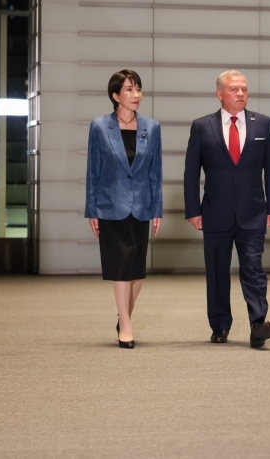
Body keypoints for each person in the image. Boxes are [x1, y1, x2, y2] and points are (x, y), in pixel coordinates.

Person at [184, 70, 270, 348]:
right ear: (219, 94)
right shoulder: (202, 126)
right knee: (217, 271)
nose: (240, 94)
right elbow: (192, 172)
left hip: (253, 211)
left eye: (244, 89)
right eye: (234, 89)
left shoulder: (263, 124)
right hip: (215, 210)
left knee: (253, 267)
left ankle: (258, 322)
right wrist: (193, 209)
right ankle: (220, 324)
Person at [85, 69, 163, 349]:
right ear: (115, 95)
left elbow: (156, 172)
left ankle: (123, 314)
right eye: (129, 89)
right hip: (110, 205)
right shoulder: (99, 126)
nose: (136, 95)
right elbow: (93, 171)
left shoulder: (151, 127)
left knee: (137, 272)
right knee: (120, 268)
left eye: (138, 89)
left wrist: (157, 209)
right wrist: (91, 210)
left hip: (142, 205)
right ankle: (127, 326)